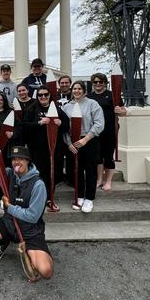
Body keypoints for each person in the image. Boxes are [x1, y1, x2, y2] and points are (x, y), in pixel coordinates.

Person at [0, 145, 53, 281]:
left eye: (20, 158)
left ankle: (30, 252)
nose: (16, 161)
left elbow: (32, 217)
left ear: (28, 161)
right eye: (14, 159)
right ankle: (3, 241)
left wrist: (10, 207)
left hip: (30, 232)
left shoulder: (38, 185)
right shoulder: (9, 174)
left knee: (46, 271)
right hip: (9, 224)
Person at [62, 81, 104, 213]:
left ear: (84, 90)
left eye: (79, 89)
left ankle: (89, 198)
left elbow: (99, 124)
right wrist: (69, 143)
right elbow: (64, 128)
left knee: (90, 171)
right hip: (74, 144)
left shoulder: (92, 104)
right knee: (77, 171)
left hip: (89, 141)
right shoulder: (67, 107)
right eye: (74, 89)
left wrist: (85, 139)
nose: (77, 91)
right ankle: (79, 196)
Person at [22, 85, 69, 205]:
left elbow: (66, 127)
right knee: (38, 173)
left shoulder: (56, 109)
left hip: (54, 148)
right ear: (37, 97)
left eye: (45, 95)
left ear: (49, 96)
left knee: (51, 173)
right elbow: (25, 127)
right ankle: (37, 197)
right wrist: (39, 122)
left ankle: (49, 197)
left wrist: (60, 123)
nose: (43, 97)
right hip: (37, 149)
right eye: (40, 95)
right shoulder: (32, 109)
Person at [87, 73, 126, 191]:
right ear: (92, 83)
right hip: (95, 130)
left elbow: (124, 112)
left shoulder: (113, 95)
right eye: (95, 82)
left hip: (110, 129)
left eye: (101, 82)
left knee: (108, 156)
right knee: (97, 156)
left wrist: (119, 110)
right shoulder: (89, 97)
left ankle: (108, 181)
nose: (98, 84)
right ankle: (99, 179)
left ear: (105, 83)